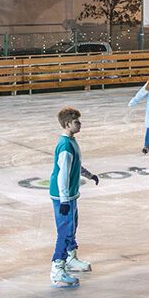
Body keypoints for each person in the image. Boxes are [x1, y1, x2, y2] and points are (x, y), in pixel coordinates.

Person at [49, 107, 100, 288]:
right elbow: (63, 174)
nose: (80, 124)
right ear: (67, 124)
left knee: (72, 225)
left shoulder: (71, 141)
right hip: (64, 195)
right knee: (65, 230)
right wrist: (64, 199)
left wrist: (89, 175)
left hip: (70, 194)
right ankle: (57, 268)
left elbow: (76, 165)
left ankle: (70, 257)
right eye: (77, 121)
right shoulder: (65, 145)